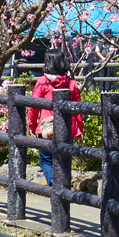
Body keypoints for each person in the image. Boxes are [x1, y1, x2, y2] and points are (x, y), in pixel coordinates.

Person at [29, 51, 84, 189]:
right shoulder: (71, 83)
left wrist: (32, 125)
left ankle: (54, 183)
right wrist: (79, 128)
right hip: (67, 128)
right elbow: (78, 108)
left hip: (47, 128)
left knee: (46, 160)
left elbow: (33, 107)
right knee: (64, 158)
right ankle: (64, 187)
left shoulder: (42, 82)